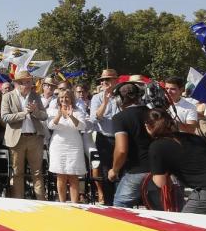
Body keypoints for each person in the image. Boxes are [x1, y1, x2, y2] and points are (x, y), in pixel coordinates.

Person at [1, 70, 49, 200]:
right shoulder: (7, 96)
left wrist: (35, 111)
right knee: (17, 173)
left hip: (35, 138)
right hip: (17, 140)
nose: (28, 85)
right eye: (25, 82)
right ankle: (18, 204)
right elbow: (4, 117)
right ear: (17, 84)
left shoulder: (35, 95)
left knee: (38, 173)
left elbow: (44, 116)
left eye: (29, 82)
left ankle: (41, 202)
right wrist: (24, 113)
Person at [108, 81, 152, 208]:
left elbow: (121, 150)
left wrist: (114, 170)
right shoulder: (154, 112)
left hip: (136, 171)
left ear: (119, 99)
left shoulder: (120, 117)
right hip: (159, 170)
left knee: (119, 206)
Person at [47, 89, 87, 203]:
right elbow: (50, 126)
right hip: (58, 146)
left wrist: (71, 116)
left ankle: (75, 203)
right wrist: (59, 115)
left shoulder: (78, 111)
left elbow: (82, 126)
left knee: (73, 175)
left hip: (74, 146)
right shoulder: (53, 111)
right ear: (59, 99)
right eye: (61, 98)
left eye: (67, 97)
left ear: (71, 99)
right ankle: (62, 203)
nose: (64, 100)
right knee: (61, 175)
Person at [88, 69, 120, 205]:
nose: (104, 82)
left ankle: (120, 202)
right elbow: (95, 118)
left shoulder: (121, 96)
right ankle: (108, 202)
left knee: (120, 170)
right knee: (106, 170)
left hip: (120, 138)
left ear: (115, 81)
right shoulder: (97, 98)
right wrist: (105, 102)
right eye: (102, 80)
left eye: (107, 80)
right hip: (105, 138)